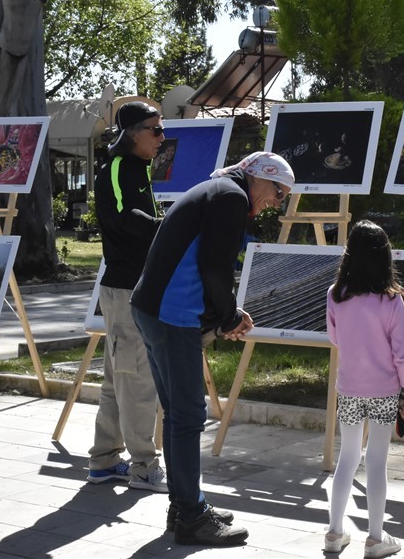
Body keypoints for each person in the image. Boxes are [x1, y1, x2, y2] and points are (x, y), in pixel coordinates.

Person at [130, 151, 294, 547]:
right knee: (188, 416)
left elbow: (202, 262)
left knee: (177, 415)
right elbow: (215, 266)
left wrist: (226, 313)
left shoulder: (216, 189)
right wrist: (227, 318)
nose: (278, 201)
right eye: (277, 190)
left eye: (284, 196)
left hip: (153, 309)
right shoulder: (231, 197)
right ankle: (191, 517)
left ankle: (185, 504)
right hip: (172, 315)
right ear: (258, 177)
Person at [323, 220, 404, 559]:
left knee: (347, 458)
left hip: (348, 388)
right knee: (377, 461)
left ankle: (334, 533)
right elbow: (402, 354)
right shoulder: (392, 302)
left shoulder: (335, 295)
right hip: (385, 392)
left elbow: (335, 338)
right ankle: (376, 538)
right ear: (385, 258)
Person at [87, 101, 167, 492]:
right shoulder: (118, 167)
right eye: (156, 130)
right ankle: (143, 467)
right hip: (124, 288)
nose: (162, 138)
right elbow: (123, 218)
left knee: (117, 379)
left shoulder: (139, 168)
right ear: (133, 132)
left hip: (135, 285)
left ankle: (104, 461)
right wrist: (168, 229)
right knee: (136, 381)